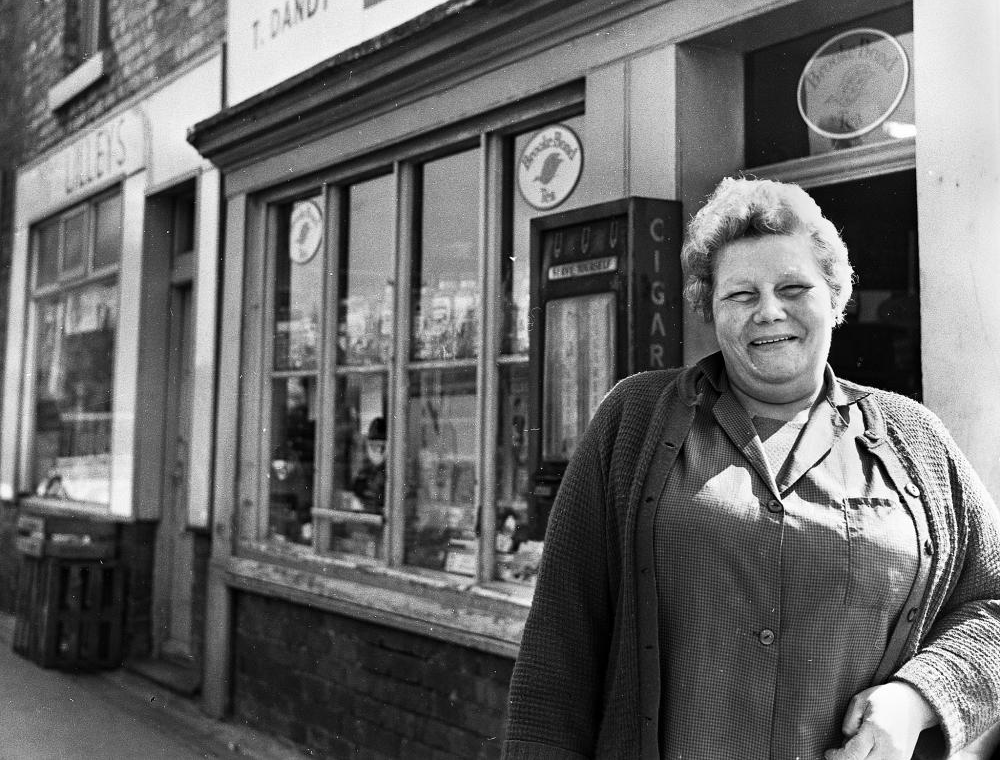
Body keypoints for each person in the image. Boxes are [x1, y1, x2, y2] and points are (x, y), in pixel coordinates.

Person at [502, 177, 1000, 760]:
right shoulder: (634, 420)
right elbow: (560, 645)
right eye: (741, 295)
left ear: (834, 299)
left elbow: (993, 605)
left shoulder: (913, 439)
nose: (770, 311)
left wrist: (918, 698)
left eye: (794, 287)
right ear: (708, 309)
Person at [351, 416, 387, 513]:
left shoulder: (391, 472)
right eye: (373, 446)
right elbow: (356, 496)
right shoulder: (364, 471)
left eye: (382, 447)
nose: (378, 451)